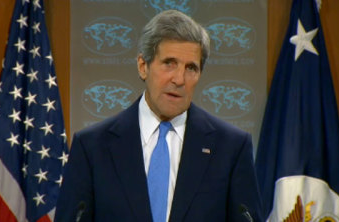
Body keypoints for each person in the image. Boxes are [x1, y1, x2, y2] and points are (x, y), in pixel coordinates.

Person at [55, 10, 262, 222]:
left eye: (191, 68)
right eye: (169, 63)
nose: (179, 79)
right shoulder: (92, 147)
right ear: (143, 66)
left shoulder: (231, 148)